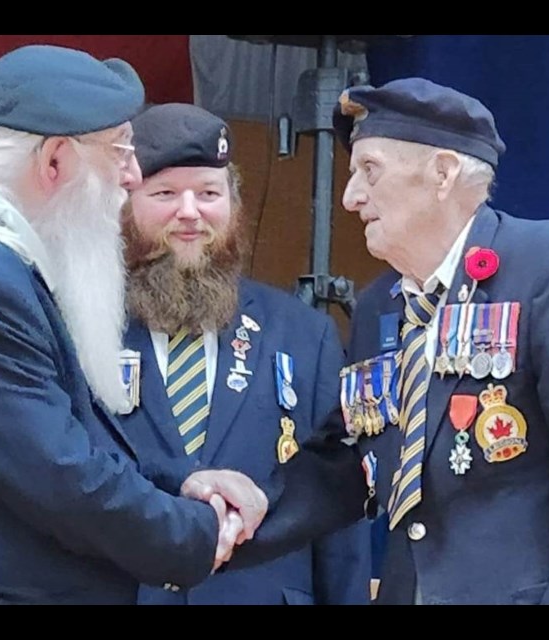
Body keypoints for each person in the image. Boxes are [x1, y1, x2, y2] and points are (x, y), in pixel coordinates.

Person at [0, 45, 263, 605]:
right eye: (120, 152)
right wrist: (198, 534)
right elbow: (59, 475)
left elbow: (51, 432)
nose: (131, 176)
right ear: (55, 160)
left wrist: (177, 482)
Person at [204, 77, 549, 605]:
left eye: (368, 170)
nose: (350, 198)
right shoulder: (381, 307)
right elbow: (347, 465)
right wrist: (238, 516)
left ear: (442, 173)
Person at [116, 103, 371, 605]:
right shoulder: (78, 326)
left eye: (209, 193)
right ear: (123, 202)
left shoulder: (303, 333)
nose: (189, 211)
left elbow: (339, 513)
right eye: (165, 193)